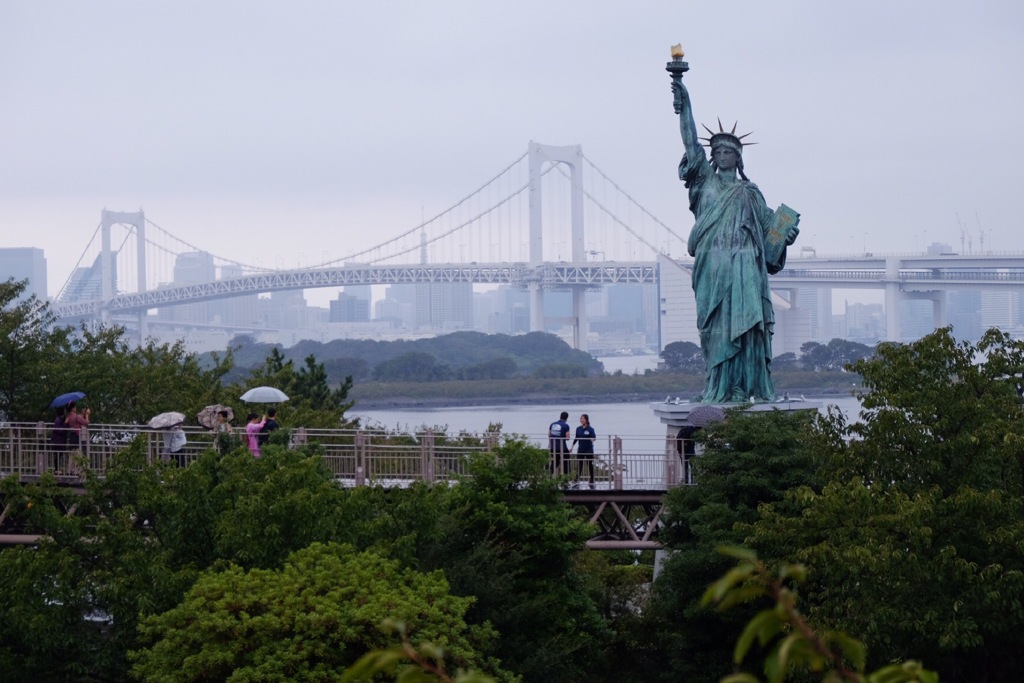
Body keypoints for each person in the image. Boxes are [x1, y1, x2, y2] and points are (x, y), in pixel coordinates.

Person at [671, 76, 799, 403]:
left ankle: (747, 386)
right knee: (714, 331)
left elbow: (772, 232)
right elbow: (689, 142)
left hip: (745, 267)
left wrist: (788, 235)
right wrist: (684, 100)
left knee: (749, 328)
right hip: (713, 267)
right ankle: (719, 387)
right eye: (718, 150)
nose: (723, 154)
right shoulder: (703, 182)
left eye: (729, 150)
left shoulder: (749, 192)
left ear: (738, 157)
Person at [571, 413, 597, 487]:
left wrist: (591, 439)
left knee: (589, 464)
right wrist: (572, 446)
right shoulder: (578, 428)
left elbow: (594, 438)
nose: (581, 420)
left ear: (586, 420)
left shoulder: (591, 429)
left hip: (589, 449)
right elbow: (576, 438)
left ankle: (592, 478)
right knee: (580, 464)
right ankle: (577, 478)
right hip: (581, 449)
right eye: (581, 418)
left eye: (583, 418)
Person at [548, 411, 570, 475]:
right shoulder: (566, 426)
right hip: (562, 448)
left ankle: (550, 475)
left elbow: (549, 435)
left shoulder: (552, 424)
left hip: (553, 447)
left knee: (555, 462)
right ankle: (565, 476)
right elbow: (568, 437)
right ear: (566, 418)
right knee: (566, 461)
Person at [51, 407, 70, 472]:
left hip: (61, 440)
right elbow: (60, 430)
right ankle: (56, 469)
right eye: (64, 410)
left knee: (60, 454)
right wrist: (65, 423)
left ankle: (58, 468)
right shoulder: (58, 420)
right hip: (58, 440)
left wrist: (66, 422)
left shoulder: (61, 419)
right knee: (58, 454)